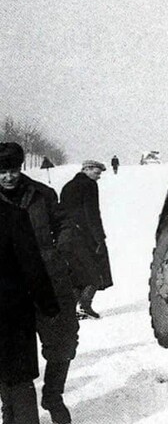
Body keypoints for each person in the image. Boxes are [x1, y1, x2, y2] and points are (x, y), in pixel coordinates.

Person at [0, 143, 78, 424]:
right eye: (2, 172)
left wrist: (59, 252)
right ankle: (10, 407)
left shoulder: (41, 194)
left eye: (13, 171)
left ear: (21, 169)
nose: (8, 177)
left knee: (63, 341)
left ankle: (53, 395)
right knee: (10, 352)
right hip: (9, 288)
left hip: (48, 279)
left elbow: (65, 223)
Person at [0, 198, 60, 424]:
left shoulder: (14, 215)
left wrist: (48, 304)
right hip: (11, 310)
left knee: (18, 376)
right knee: (7, 376)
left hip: (14, 310)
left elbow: (32, 263)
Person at [60, 160, 112, 320]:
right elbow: (92, 213)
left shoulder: (68, 186)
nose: (99, 177)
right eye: (97, 173)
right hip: (83, 236)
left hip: (66, 236)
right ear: (87, 170)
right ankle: (85, 306)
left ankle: (71, 309)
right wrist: (99, 238)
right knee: (96, 273)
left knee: (76, 273)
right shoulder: (89, 185)